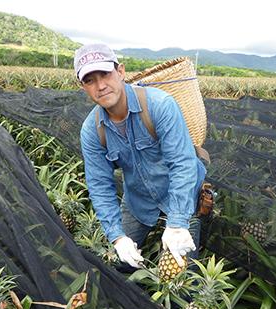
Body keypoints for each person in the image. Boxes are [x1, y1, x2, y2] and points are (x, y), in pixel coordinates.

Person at [74, 43, 206, 269]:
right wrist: (117, 237)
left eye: (105, 74)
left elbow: (182, 164)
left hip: (183, 193)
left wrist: (177, 224)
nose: (100, 85)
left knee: (182, 274)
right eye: (90, 80)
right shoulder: (92, 130)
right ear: (83, 86)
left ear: (121, 71)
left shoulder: (160, 105)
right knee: (121, 263)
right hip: (138, 199)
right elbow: (99, 185)